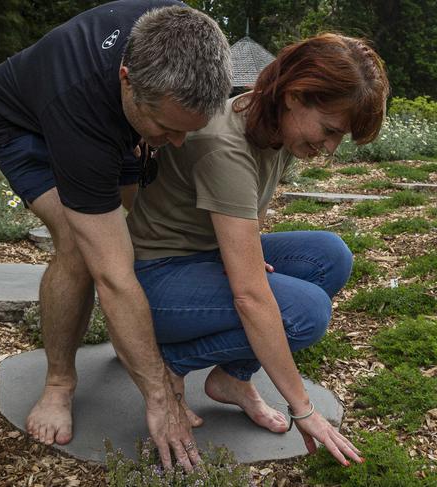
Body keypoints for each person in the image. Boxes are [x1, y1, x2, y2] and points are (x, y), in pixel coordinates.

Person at [0, 0, 232, 471]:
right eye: (167, 129)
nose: (177, 143)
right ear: (127, 80)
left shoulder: (179, 33)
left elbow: (167, 131)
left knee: (122, 231)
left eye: (187, 131)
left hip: (111, 119)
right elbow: (112, 276)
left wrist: (156, 131)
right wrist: (158, 396)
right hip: (20, 124)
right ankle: (58, 383)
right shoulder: (78, 109)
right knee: (80, 246)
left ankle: (127, 339)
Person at [127, 33, 389, 465]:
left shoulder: (274, 126)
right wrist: (304, 408)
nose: (329, 149)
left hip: (203, 254)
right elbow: (250, 296)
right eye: (329, 131)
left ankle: (232, 378)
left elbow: (249, 212)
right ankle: (168, 361)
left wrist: (244, 256)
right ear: (295, 96)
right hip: (156, 280)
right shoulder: (224, 146)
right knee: (305, 312)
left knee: (330, 256)